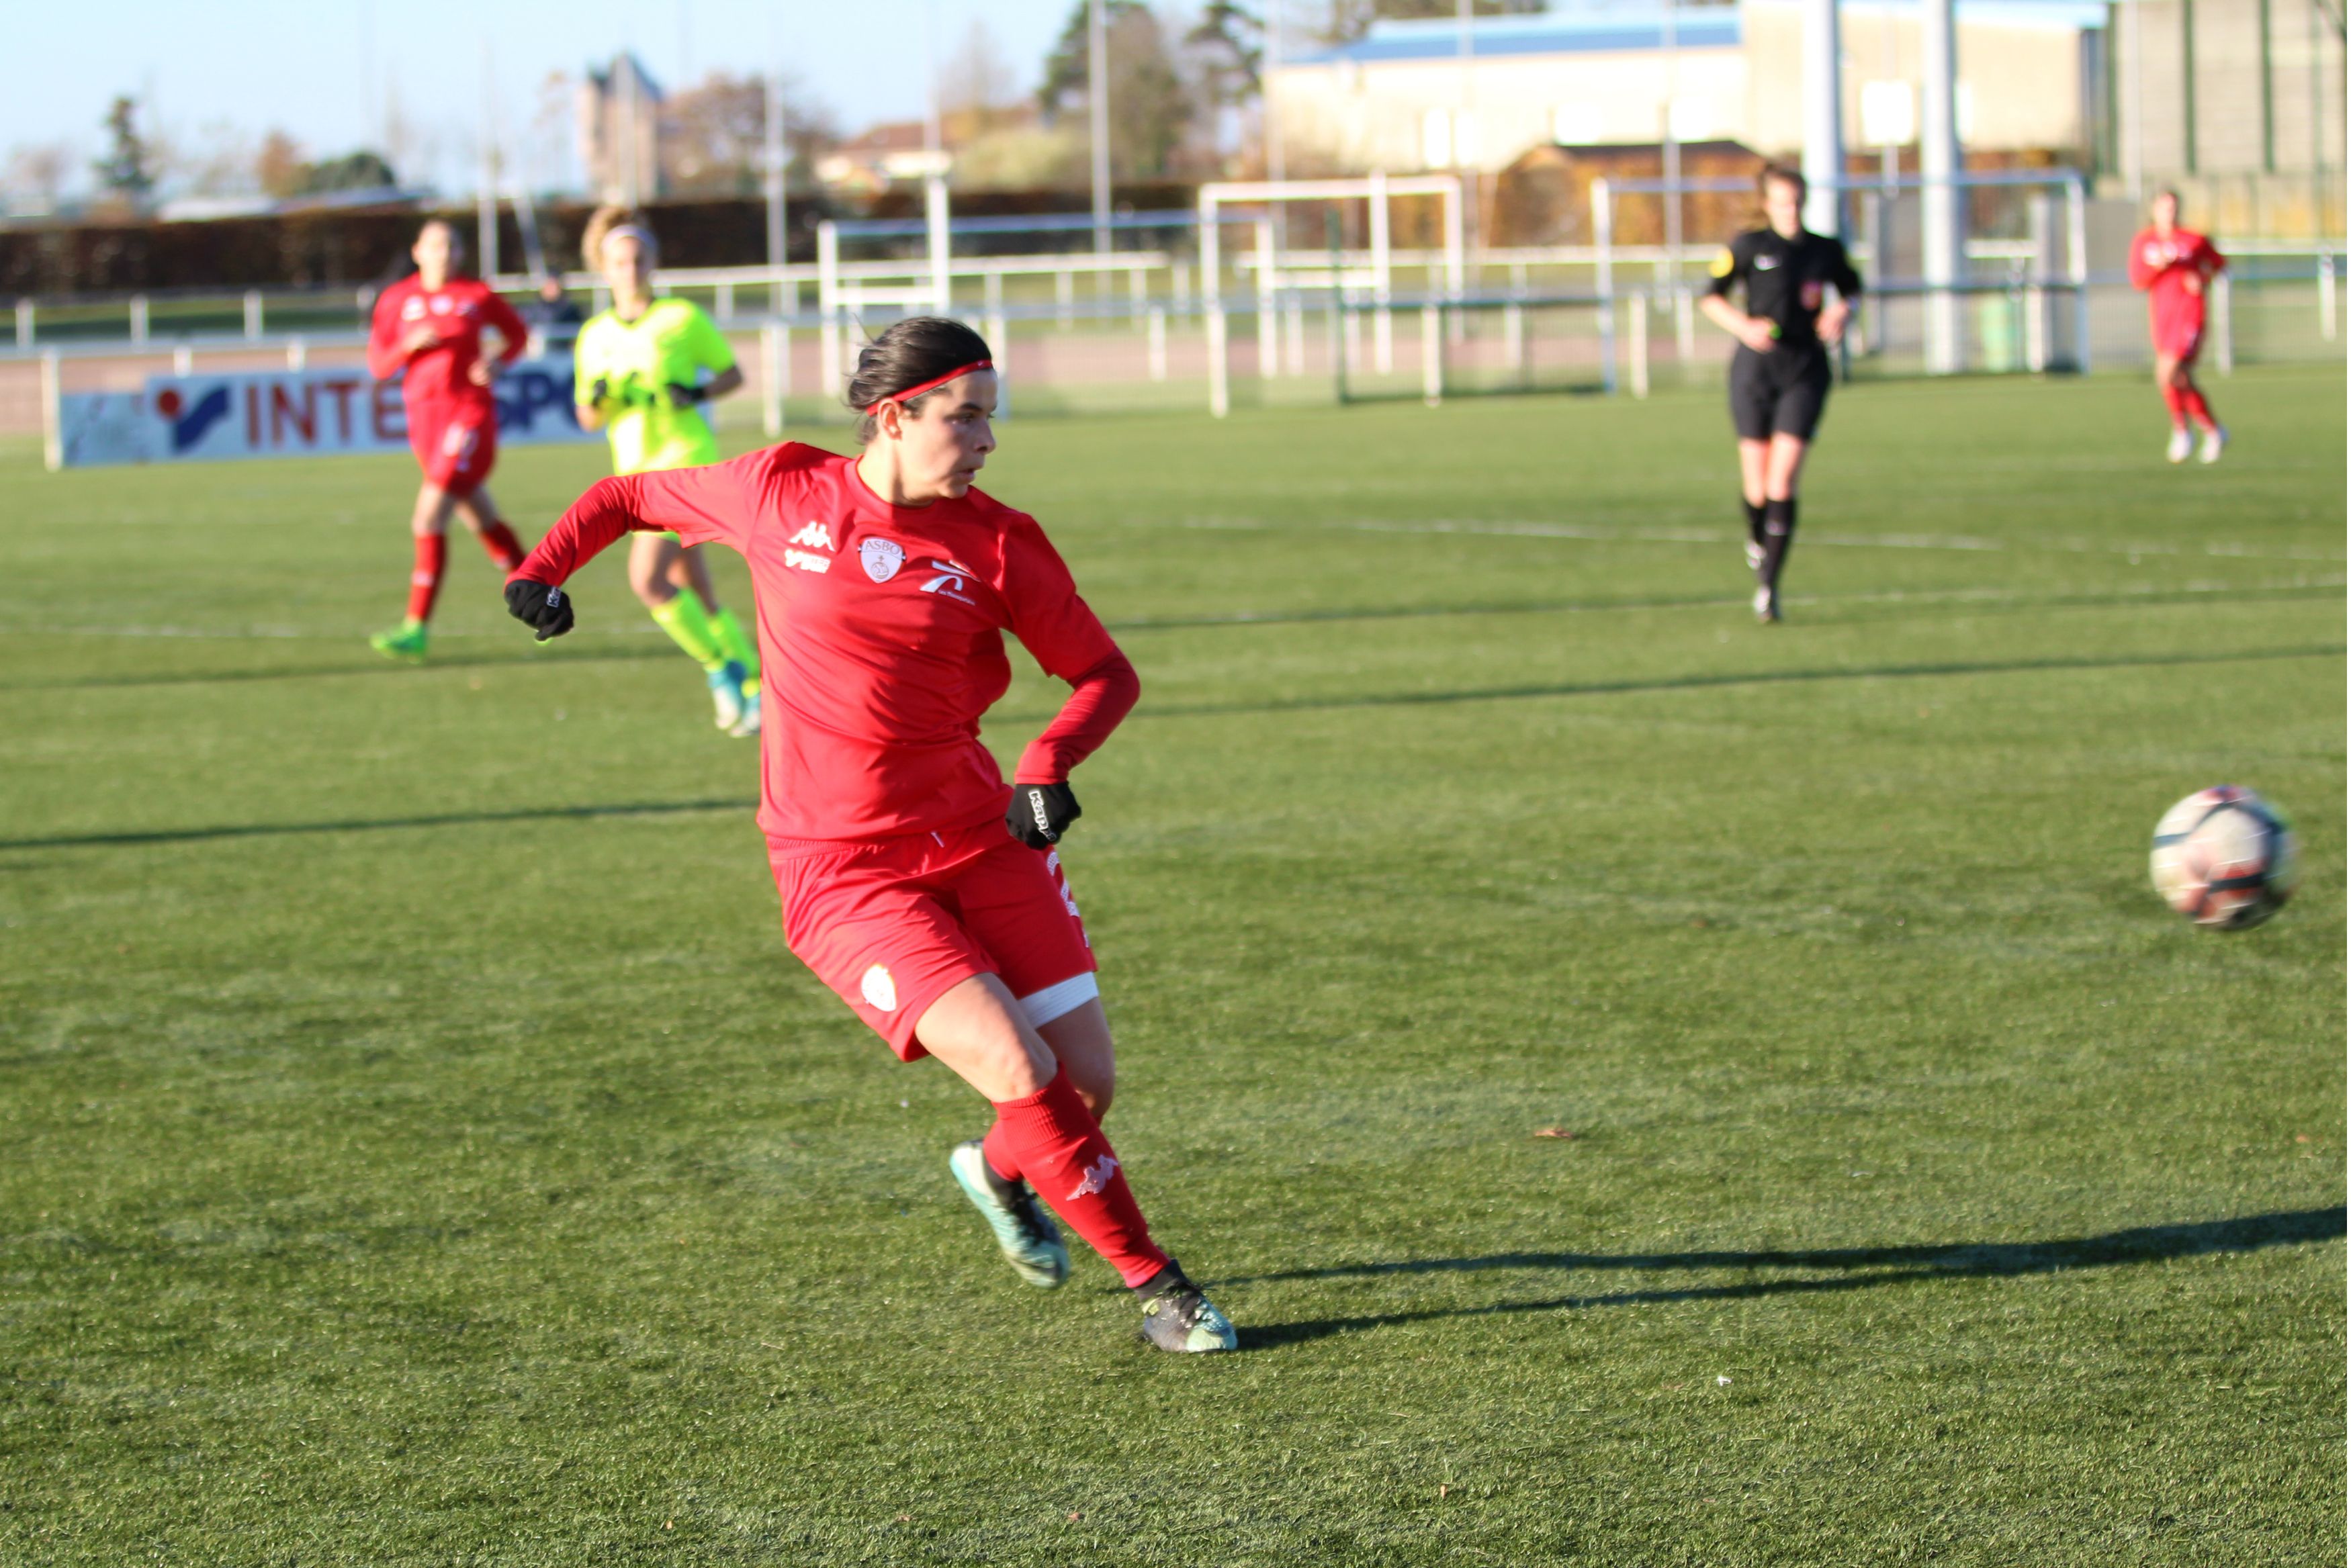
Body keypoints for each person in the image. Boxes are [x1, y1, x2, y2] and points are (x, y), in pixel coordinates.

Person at [501, 317, 1239, 1354]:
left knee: (1082, 1088)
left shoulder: (1001, 539)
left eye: (990, 417)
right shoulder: (779, 490)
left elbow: (1105, 673)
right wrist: (544, 567)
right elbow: (629, 495)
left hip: (985, 838)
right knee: (1020, 1072)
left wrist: (1046, 763)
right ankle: (1161, 1285)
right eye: (966, 417)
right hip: (841, 870)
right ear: (894, 415)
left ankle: (994, 1171)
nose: (986, 439)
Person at [570, 205, 760, 736]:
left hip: (684, 464)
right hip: (633, 476)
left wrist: (695, 393)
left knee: (648, 579)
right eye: (619, 261)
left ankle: (722, 670)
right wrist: (599, 398)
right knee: (692, 584)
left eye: (637, 259)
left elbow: (732, 373)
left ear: (652, 262)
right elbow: (587, 417)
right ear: (604, 268)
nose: (629, 270)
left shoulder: (681, 319)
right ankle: (754, 684)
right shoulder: (594, 335)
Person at [363, 219, 534, 661]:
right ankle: (542, 595)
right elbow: (379, 364)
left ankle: (416, 626)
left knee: (427, 519)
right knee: (480, 517)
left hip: (470, 414)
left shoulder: (475, 296)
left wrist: (496, 363)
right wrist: (407, 345)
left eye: (452, 245)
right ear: (418, 250)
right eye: (435, 244)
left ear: (460, 254)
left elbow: (518, 335)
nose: (444, 252)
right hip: (425, 422)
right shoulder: (397, 300)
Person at [1699, 164, 1863, 625]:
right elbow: (1711, 296)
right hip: (1754, 373)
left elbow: (1852, 289)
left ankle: (1769, 586)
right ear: (1766, 203)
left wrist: (1842, 311)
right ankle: (1758, 539)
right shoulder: (1748, 246)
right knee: (1756, 485)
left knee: (1782, 480)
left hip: (1805, 370)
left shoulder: (1824, 250)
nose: (1790, 210)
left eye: (1797, 201)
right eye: (1781, 202)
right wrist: (1744, 326)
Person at [2128, 191, 2228, 465]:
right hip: (2162, 317)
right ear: (2154, 210)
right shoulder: (2145, 242)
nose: (2169, 212)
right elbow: (2138, 280)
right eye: (2163, 207)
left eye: (2173, 207)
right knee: (2177, 378)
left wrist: (2202, 277)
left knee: (2167, 372)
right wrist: (2157, 268)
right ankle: (2213, 430)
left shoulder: (2193, 240)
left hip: (2190, 313)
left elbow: (2220, 263)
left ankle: (2183, 431)